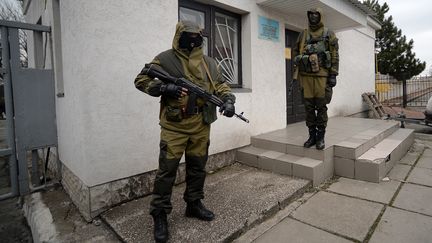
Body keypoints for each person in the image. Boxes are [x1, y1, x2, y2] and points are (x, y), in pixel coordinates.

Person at [134, 20, 236, 243]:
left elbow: (221, 85)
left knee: (198, 167)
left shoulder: (209, 62)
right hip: (174, 126)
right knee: (167, 170)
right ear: (179, 35)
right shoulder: (165, 59)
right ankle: (159, 214)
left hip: (201, 125)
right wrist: (163, 87)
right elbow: (141, 79)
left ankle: (193, 203)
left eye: (196, 36)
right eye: (188, 35)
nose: (193, 39)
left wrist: (228, 101)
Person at [293, 8, 339, 150]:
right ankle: (312, 136)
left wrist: (333, 74)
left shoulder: (328, 33)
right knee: (308, 108)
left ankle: (321, 137)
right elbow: (295, 51)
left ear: (320, 16)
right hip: (306, 77)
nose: (313, 17)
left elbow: (335, 55)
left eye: (316, 15)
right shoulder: (303, 34)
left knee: (321, 107)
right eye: (310, 14)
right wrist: (299, 60)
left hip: (322, 77)